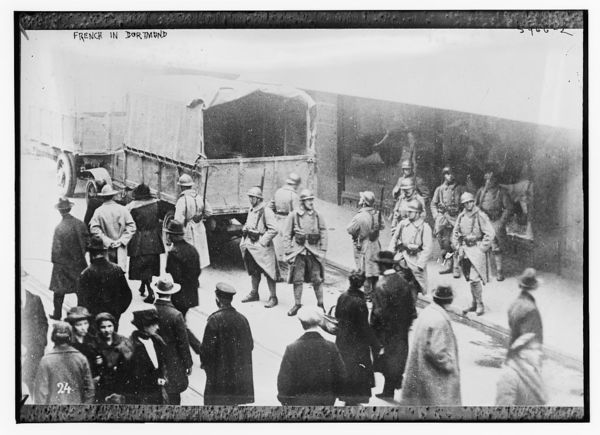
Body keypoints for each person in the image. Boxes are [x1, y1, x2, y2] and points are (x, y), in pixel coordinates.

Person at [402, 285, 461, 406]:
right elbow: (438, 351)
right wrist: (450, 365)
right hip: (433, 376)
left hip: (422, 370)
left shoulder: (427, 312)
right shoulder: (439, 320)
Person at [369, 251, 416, 400]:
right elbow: (412, 310)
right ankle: (390, 388)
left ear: (383, 266)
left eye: (379, 265)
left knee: (384, 358)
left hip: (385, 330)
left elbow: (378, 312)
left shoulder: (381, 285)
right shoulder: (403, 282)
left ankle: (392, 386)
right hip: (401, 330)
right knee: (396, 358)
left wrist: (374, 331)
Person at [277, 306, 346, 406]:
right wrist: (334, 396)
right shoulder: (331, 347)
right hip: (326, 402)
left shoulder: (292, 349)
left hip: (299, 402)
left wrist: (285, 400)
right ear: (319, 322)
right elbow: (341, 375)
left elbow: (284, 380)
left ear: (302, 323)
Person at [200, 283, 254, 405]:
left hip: (218, 378)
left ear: (217, 299)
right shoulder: (242, 319)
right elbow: (250, 345)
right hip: (236, 379)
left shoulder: (214, 320)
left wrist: (207, 367)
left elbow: (206, 350)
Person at [334, 271, 381, 405]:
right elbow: (364, 326)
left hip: (342, 339)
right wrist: (375, 344)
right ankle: (352, 402)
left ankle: (347, 399)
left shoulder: (343, 296)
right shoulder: (360, 302)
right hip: (356, 343)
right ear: (361, 284)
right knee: (356, 373)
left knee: (345, 369)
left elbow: (337, 315)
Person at [282, 189, 328, 316]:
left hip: (314, 252)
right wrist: (288, 250)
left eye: (312, 199)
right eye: (308, 200)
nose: (311, 202)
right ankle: (297, 304)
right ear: (302, 202)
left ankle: (320, 304)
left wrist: (323, 249)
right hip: (299, 252)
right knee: (297, 279)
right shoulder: (294, 215)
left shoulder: (317, 215)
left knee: (317, 279)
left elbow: (323, 231)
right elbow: (286, 234)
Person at [452, 192, 495, 316]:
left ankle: (480, 304)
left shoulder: (480, 215)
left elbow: (490, 233)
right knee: (470, 279)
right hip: (465, 250)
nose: (468, 204)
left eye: (470, 202)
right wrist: (458, 246)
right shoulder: (461, 216)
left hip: (476, 250)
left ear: (474, 202)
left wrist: (482, 248)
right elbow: (455, 233)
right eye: (465, 203)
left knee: (474, 279)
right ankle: (474, 303)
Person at [153, 274, 193, 405]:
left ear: (157, 291)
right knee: (173, 396)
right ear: (171, 293)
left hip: (154, 359)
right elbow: (183, 343)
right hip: (173, 361)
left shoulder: (150, 310)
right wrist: (188, 363)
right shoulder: (176, 315)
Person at [164, 219, 203, 355]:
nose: (167, 236)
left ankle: (200, 350)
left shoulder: (173, 252)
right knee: (180, 323)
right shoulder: (192, 249)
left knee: (178, 325)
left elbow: (175, 275)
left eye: (169, 234)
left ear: (173, 236)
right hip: (191, 292)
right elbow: (198, 271)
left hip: (179, 294)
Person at [33, 322, 95, 405]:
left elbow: (41, 393)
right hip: (77, 409)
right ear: (71, 337)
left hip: (53, 410)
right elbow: (90, 390)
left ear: (53, 337)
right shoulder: (81, 358)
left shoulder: (46, 360)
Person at [78, 235, 132, 329]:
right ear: (104, 252)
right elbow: (127, 295)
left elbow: (82, 302)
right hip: (113, 318)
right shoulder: (117, 269)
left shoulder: (86, 274)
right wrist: (118, 311)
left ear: (91, 254)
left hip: (94, 320)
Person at [240, 186, 280, 308]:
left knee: (269, 272)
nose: (250, 199)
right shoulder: (252, 209)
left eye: (253, 197)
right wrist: (245, 228)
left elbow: (274, 229)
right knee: (253, 270)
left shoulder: (266, 211)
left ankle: (273, 297)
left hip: (263, 247)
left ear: (258, 199)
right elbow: (248, 222)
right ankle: (254, 293)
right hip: (251, 245)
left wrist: (262, 241)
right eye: (250, 197)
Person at [49, 197, 89, 320]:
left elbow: (56, 249)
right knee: (80, 291)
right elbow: (87, 242)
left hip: (62, 265)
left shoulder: (59, 228)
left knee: (59, 291)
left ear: (59, 211)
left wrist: (55, 261)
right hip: (79, 263)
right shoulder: (80, 223)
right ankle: (81, 314)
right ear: (70, 209)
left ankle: (57, 314)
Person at [126, 183, 165, 303]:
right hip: (154, 238)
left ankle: (151, 292)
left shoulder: (132, 207)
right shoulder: (156, 204)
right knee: (150, 265)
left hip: (140, 239)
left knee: (142, 266)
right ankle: (143, 286)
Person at [388, 199, 433, 300]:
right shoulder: (403, 224)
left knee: (413, 289)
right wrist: (390, 254)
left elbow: (428, 248)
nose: (407, 213)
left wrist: (420, 264)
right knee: (397, 285)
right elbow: (394, 239)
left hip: (415, 261)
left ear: (418, 213)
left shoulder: (424, 227)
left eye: (411, 212)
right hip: (402, 258)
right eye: (407, 211)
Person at [475, 162, 513, 281]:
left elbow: (508, 208)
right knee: (481, 245)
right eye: (487, 176)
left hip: (496, 220)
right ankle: (482, 270)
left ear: (496, 178)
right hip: (483, 221)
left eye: (492, 177)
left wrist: (501, 222)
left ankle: (499, 271)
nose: (489, 179)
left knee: (496, 246)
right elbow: (475, 206)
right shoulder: (481, 191)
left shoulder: (501, 192)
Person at [123, 309, 168, 405]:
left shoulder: (156, 341)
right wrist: (155, 380)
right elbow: (135, 373)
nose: (157, 327)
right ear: (145, 326)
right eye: (153, 324)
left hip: (157, 390)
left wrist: (162, 376)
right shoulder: (132, 346)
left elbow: (162, 363)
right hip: (141, 394)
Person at [346, 191, 384, 302]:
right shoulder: (377, 214)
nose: (360, 200)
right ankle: (375, 294)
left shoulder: (360, 216)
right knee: (375, 271)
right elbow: (382, 226)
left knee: (366, 272)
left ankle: (367, 295)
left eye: (361, 198)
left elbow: (350, 229)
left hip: (364, 246)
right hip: (376, 245)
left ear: (364, 202)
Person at [89, 183, 136, 271]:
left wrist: (107, 241)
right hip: (120, 248)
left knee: (107, 273)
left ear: (102, 197)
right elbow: (132, 227)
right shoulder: (123, 209)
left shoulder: (98, 211)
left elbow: (94, 229)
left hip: (106, 249)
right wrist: (122, 240)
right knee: (120, 272)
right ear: (113, 196)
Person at [431, 166, 465, 277]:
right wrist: (436, 216)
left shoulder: (460, 189)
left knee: (455, 243)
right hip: (443, 219)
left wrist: (462, 217)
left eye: (451, 174)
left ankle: (456, 267)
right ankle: (449, 265)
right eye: (447, 174)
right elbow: (433, 204)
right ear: (444, 175)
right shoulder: (439, 189)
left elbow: (465, 204)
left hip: (455, 218)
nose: (449, 176)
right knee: (444, 243)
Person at [495, 332, 547, 406]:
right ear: (522, 354)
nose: (540, 353)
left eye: (540, 349)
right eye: (535, 349)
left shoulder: (536, 373)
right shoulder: (509, 376)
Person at [174, 173, 213, 270]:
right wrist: (200, 216)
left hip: (188, 229)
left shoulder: (182, 200)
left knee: (188, 254)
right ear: (191, 186)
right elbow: (209, 212)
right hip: (199, 227)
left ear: (182, 187)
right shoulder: (200, 197)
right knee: (199, 252)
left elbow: (178, 220)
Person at [93, 312, 131, 403]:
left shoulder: (122, 341)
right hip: (102, 384)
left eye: (110, 326)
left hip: (119, 383)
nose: (107, 330)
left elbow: (129, 361)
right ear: (98, 328)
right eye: (103, 327)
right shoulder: (94, 343)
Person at [20, 285, 48, 395]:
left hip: (33, 353)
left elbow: (43, 322)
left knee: (32, 385)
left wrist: (41, 343)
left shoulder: (35, 299)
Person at [507, 268, 544, 346]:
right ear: (535, 288)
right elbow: (532, 338)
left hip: (513, 346)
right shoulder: (531, 309)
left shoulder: (514, 304)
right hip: (525, 349)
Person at [271, 172, 302, 262]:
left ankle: (278, 264)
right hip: (288, 222)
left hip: (277, 220)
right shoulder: (294, 195)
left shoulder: (278, 192)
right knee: (287, 246)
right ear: (295, 184)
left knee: (277, 246)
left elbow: (270, 207)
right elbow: (296, 214)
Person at [65, 307, 101, 380]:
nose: (83, 328)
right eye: (79, 325)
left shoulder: (92, 340)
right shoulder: (67, 343)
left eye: (85, 323)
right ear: (72, 325)